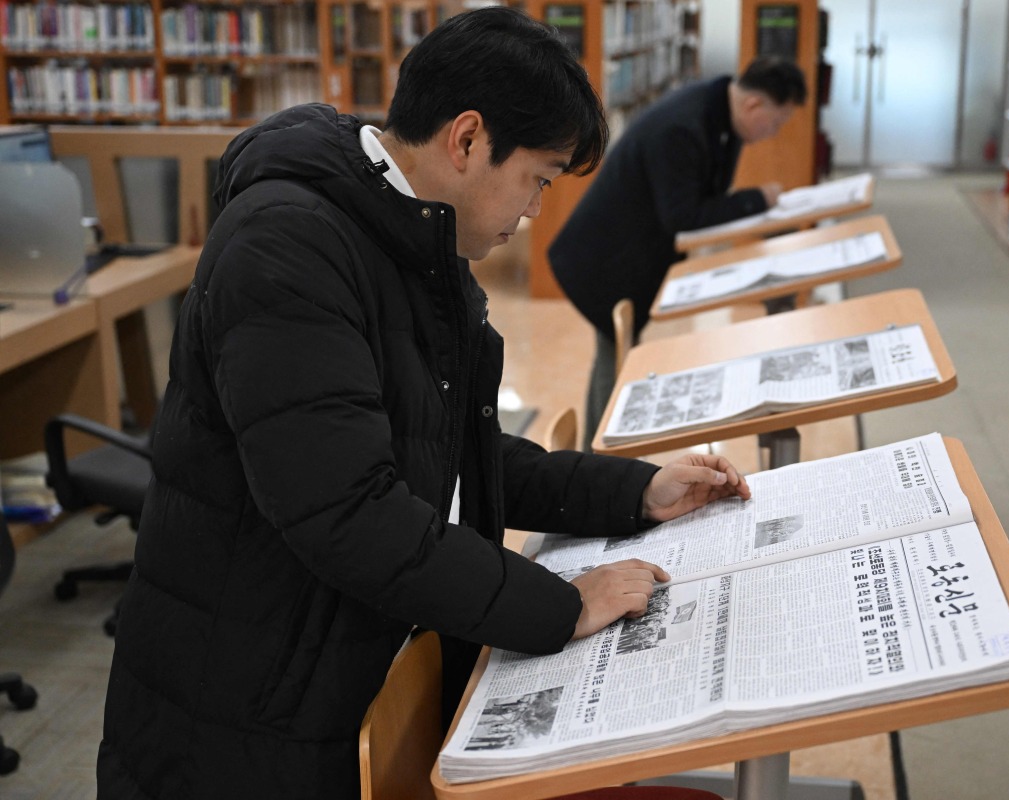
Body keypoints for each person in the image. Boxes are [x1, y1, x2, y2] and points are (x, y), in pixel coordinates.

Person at [95, 8, 751, 799]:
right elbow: (348, 511)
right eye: (537, 180)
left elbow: (453, 449)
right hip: (240, 712)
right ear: (468, 140)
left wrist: (635, 489)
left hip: (321, 666)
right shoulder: (285, 248)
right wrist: (556, 607)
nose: (535, 210)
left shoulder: (406, 237)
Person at [549, 57, 808, 450]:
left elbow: (709, 197)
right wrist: (756, 199)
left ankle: (595, 456)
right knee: (615, 355)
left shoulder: (721, 115)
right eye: (776, 122)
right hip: (605, 258)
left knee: (615, 357)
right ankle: (599, 458)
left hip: (630, 254)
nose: (773, 133)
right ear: (754, 105)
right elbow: (684, 217)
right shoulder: (684, 126)